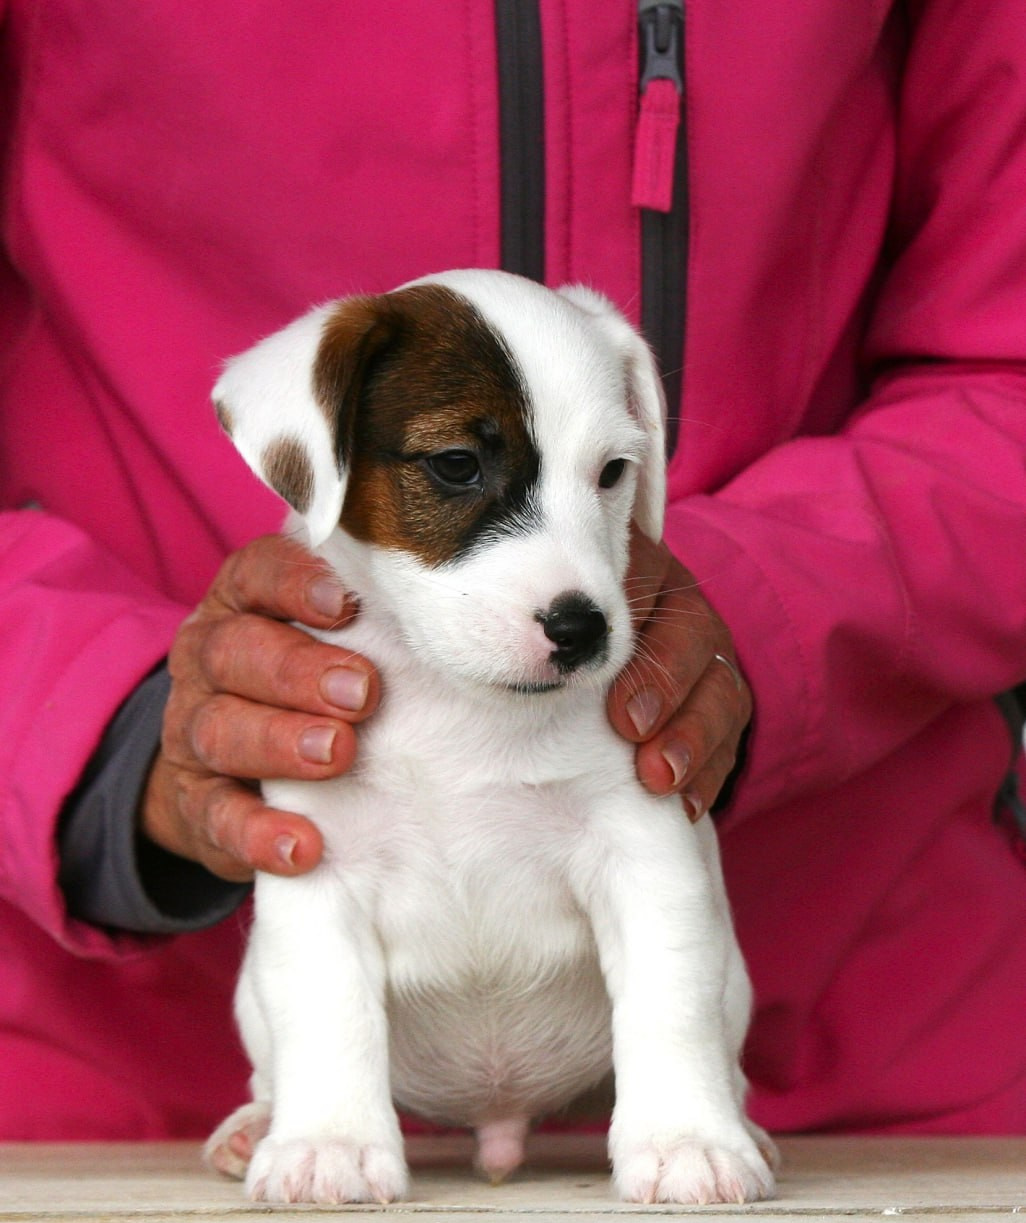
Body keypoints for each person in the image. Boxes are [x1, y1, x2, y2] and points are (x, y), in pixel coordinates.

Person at [1, 1, 1024, 1141]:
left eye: (609, 476)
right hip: (96, 1089)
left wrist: (763, 601)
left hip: (881, 1047)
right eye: (453, 467)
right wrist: (93, 727)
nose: (566, 570)